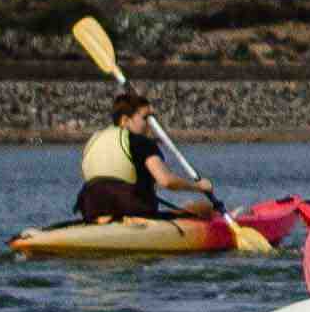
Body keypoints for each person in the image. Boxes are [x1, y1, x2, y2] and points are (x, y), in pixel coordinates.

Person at [71, 88, 218, 222]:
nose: (151, 124)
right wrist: (198, 187)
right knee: (203, 208)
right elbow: (166, 181)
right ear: (125, 121)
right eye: (146, 118)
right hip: (131, 210)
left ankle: (104, 220)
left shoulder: (94, 140)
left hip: (91, 208)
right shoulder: (142, 142)